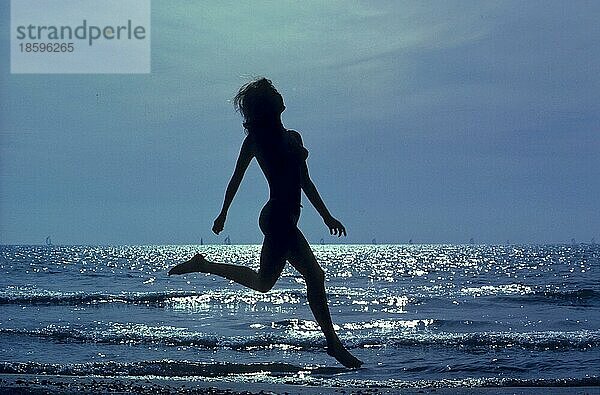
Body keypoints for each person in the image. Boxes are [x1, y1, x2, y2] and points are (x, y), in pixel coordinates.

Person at [168, 78, 362, 368]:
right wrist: (223, 213)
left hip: (285, 217)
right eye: (275, 94)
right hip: (276, 218)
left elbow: (305, 182)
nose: (281, 96)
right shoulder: (257, 140)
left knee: (264, 282)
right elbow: (237, 178)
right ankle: (333, 345)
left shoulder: (294, 137)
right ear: (269, 106)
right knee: (314, 276)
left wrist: (326, 216)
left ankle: (203, 265)